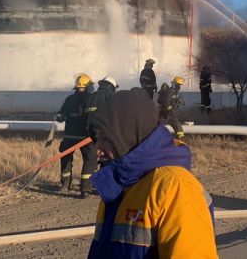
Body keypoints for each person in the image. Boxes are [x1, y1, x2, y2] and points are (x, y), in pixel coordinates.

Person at [87, 89, 216, 258]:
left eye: (106, 139)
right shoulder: (119, 186)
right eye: (97, 139)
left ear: (128, 136)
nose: (98, 150)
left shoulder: (175, 188)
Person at [53, 73, 97, 198]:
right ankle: (85, 189)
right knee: (90, 160)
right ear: (89, 86)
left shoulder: (70, 99)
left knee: (66, 159)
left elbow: (62, 114)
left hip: (70, 136)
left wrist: (60, 117)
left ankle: (65, 185)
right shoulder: (91, 99)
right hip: (86, 138)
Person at [157, 76, 186, 142]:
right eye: (178, 85)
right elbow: (166, 102)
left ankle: (178, 139)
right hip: (169, 113)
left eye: (180, 85)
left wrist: (177, 100)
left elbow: (171, 100)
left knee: (162, 125)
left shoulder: (173, 92)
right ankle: (180, 140)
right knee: (177, 124)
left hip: (168, 113)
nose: (179, 87)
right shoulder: (170, 91)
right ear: (174, 84)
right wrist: (170, 110)